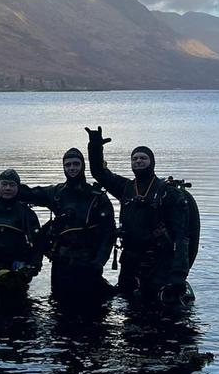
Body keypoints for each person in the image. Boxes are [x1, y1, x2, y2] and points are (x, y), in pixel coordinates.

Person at [85, 126, 200, 305]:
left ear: (151, 162)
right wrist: (95, 147)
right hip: (130, 264)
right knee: (129, 312)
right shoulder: (126, 188)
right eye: (135, 158)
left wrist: (178, 276)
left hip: (159, 264)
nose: (138, 161)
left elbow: (181, 238)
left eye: (143, 158)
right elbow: (100, 174)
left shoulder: (167, 193)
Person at [0, 148, 114, 301]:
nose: (72, 168)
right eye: (68, 164)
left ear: (82, 166)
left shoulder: (97, 198)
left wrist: (100, 262)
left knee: (91, 311)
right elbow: (28, 194)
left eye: (76, 164)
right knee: (59, 308)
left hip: (88, 263)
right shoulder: (57, 193)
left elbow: (109, 234)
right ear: (63, 167)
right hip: (60, 265)